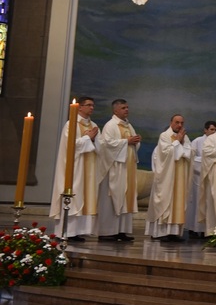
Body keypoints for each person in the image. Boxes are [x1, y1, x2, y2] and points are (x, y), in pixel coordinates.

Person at [49, 97, 100, 242]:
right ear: (80, 108)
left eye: (93, 105)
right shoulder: (71, 124)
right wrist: (87, 139)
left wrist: (94, 139)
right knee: (73, 196)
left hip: (88, 168)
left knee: (85, 195)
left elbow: (100, 146)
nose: (92, 108)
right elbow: (70, 145)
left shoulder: (94, 125)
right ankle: (66, 231)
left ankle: (78, 231)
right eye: (89, 105)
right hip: (74, 167)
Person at [96, 98, 141, 242]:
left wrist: (135, 141)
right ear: (115, 110)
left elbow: (132, 144)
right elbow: (106, 145)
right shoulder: (111, 125)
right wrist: (127, 142)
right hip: (115, 168)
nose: (126, 110)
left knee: (125, 198)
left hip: (127, 168)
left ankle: (121, 230)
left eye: (127, 107)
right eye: (123, 108)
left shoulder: (128, 125)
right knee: (112, 198)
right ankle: (107, 231)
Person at [146, 114, 192, 242]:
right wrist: (178, 142)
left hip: (180, 177)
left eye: (182, 123)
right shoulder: (164, 136)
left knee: (177, 203)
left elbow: (189, 153)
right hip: (167, 177)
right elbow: (166, 154)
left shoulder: (185, 137)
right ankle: (160, 232)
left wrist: (182, 143)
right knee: (165, 201)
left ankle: (174, 233)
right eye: (177, 122)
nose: (180, 125)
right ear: (171, 122)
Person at [185, 120, 216, 239]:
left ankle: (206, 230)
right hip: (198, 177)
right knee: (197, 203)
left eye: (215, 130)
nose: (214, 132)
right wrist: (206, 163)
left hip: (211, 177)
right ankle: (194, 228)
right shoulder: (197, 141)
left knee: (208, 203)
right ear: (205, 130)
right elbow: (192, 158)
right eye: (212, 129)